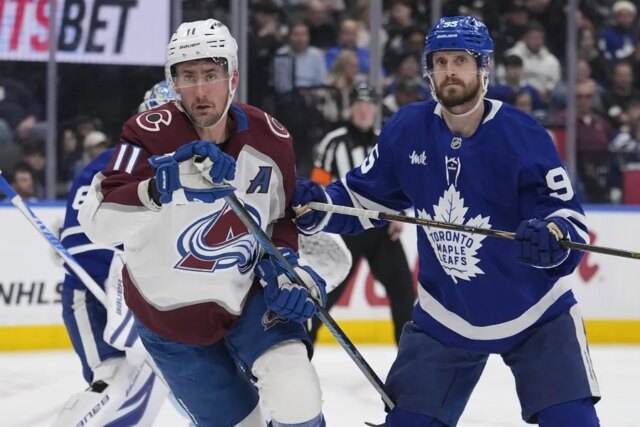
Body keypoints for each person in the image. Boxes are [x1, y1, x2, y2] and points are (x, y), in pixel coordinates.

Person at [292, 16, 600, 426]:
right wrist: (322, 206)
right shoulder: (407, 129)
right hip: (446, 317)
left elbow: (566, 216)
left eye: (460, 61)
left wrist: (553, 236)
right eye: (440, 62)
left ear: (483, 67)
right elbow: (360, 198)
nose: (450, 71)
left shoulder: (523, 133)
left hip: (536, 314)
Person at [78, 19, 327, 427]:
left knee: (296, 391)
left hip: (247, 297)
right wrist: (158, 189)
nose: (199, 90)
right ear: (173, 82)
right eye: (188, 76)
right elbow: (98, 223)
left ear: (233, 79)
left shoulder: (272, 138)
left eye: (211, 75)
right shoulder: (146, 135)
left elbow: (279, 219)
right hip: (168, 320)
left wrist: (286, 267)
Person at [54, 81, 177, 427]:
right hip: (96, 292)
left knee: (153, 384)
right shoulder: (119, 162)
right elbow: (84, 242)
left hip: (140, 294)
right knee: (112, 378)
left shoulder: (165, 166)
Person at [308, 82, 415, 344]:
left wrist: (399, 214)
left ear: (376, 109)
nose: (364, 110)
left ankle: (409, 358)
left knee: (403, 293)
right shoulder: (334, 142)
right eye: (359, 104)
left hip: (381, 230)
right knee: (324, 295)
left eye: (369, 104)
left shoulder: (384, 141)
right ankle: (298, 350)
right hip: (344, 230)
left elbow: (398, 182)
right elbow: (318, 185)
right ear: (350, 108)